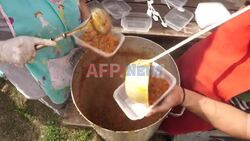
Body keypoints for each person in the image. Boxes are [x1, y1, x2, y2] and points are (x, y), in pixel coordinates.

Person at [148, 7, 250, 140]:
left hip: (219, 103)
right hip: (218, 50)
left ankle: (161, 125)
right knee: (182, 72)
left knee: (177, 118)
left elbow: (246, 125)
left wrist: (183, 97)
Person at [0, 0, 90, 115]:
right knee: (63, 102)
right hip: (36, 73)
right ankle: (63, 106)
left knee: (85, 78)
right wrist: (3, 50)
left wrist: (86, 18)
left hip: (76, 40)